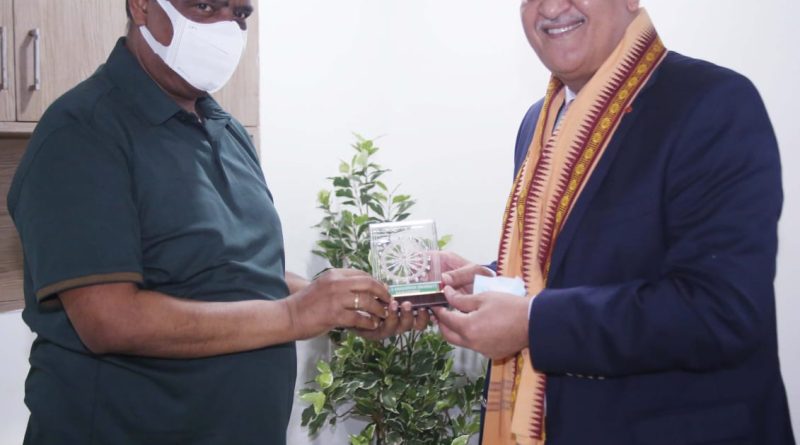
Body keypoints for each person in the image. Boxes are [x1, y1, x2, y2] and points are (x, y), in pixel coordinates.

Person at [7, 1, 426, 444]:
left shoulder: (226, 130)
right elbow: (110, 319)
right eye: (205, 6)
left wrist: (343, 305)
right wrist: (294, 314)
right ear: (142, 6)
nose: (226, 29)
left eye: (239, 14)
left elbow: (232, 272)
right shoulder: (82, 130)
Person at [432, 0, 796, 444]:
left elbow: (720, 309)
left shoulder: (711, 103)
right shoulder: (539, 121)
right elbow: (574, 264)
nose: (551, 7)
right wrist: (486, 284)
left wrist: (533, 323)